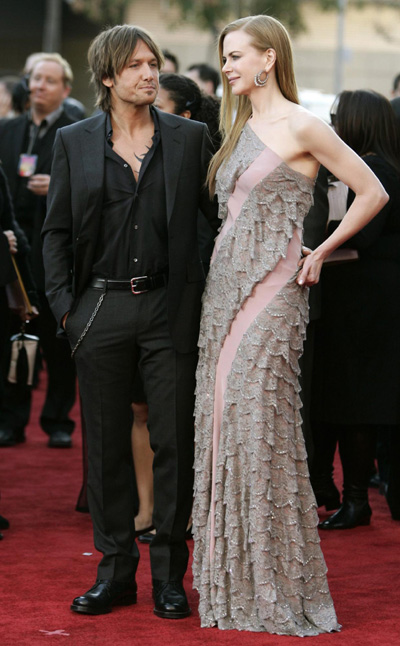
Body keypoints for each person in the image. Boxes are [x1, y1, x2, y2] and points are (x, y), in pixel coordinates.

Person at [192, 15, 387, 635]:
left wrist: (322, 250)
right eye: (223, 57)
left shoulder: (304, 124)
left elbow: (372, 190)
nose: (226, 67)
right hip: (220, 296)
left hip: (275, 295)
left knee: (258, 425)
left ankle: (273, 584)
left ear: (269, 58)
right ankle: (234, 581)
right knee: (222, 425)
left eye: (235, 56)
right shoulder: (238, 126)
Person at [42, 24, 219, 618]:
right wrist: (67, 307)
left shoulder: (191, 137)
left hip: (170, 309)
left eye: (154, 62)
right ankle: (115, 571)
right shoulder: (73, 139)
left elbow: (211, 219)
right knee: (106, 448)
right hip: (100, 308)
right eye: (137, 65)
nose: (150, 73)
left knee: (173, 442)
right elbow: (57, 232)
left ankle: (171, 575)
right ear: (110, 77)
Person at [311, 90, 400, 530]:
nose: (331, 125)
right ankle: (337, 491)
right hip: (365, 299)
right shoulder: (384, 165)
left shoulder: (376, 170)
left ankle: (355, 500)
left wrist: (320, 232)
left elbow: (360, 236)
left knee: (355, 401)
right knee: (347, 397)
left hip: (365, 302)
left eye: (335, 117)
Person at [0, 53, 77, 448]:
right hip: (13, 253)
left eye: (48, 80)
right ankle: (12, 420)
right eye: (34, 79)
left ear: (65, 88)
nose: (38, 86)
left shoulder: (77, 131)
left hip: (55, 254)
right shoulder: (8, 130)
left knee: (56, 342)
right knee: (13, 338)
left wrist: (60, 187)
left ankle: (58, 421)